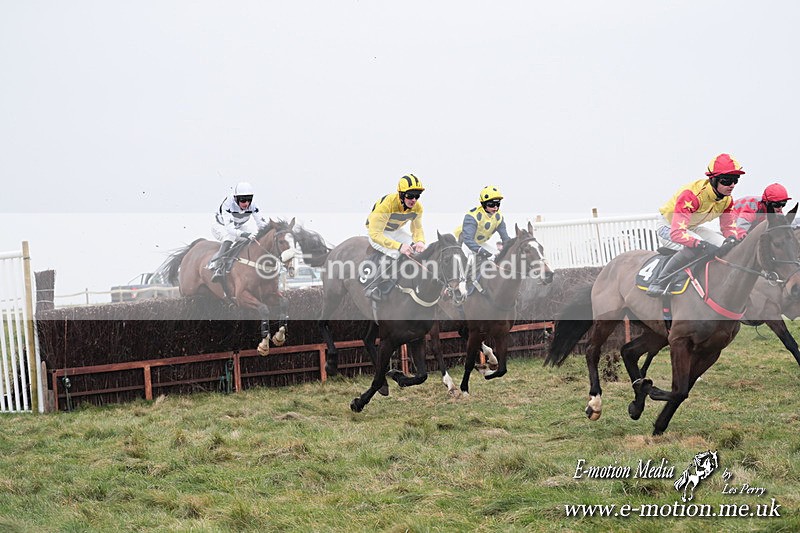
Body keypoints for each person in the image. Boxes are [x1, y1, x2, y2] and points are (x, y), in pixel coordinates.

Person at [645, 153, 747, 297]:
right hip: (669, 227)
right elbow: (677, 233)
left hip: (691, 227)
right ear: (713, 180)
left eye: (735, 180)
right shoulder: (691, 196)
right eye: (727, 180)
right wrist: (702, 245)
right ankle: (658, 282)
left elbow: (728, 227)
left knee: (727, 246)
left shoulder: (727, 200)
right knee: (696, 249)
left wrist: (731, 238)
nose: (731, 185)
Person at [363, 174, 426, 300]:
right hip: (377, 233)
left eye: (417, 196)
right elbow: (375, 234)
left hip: (396, 231)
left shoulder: (418, 208)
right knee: (395, 253)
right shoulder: (387, 205)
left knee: (417, 249)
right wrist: (399, 246)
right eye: (410, 195)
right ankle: (372, 287)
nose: (414, 200)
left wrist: (420, 241)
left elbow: (417, 228)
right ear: (401, 195)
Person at [208, 181, 269, 282]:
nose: (246, 203)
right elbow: (229, 228)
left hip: (238, 227)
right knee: (230, 237)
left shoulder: (253, 205)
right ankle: (218, 267)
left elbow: (261, 224)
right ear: (236, 198)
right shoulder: (228, 204)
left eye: (248, 199)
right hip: (221, 227)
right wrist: (245, 234)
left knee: (254, 235)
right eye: (242, 200)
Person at [454, 185, 510, 270]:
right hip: (464, 243)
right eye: (491, 204)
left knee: (496, 256)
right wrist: (482, 252)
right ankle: (463, 282)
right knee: (470, 261)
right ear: (483, 204)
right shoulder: (472, 216)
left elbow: (506, 239)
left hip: (479, 243)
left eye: (497, 204)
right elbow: (468, 240)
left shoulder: (499, 217)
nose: (495, 207)